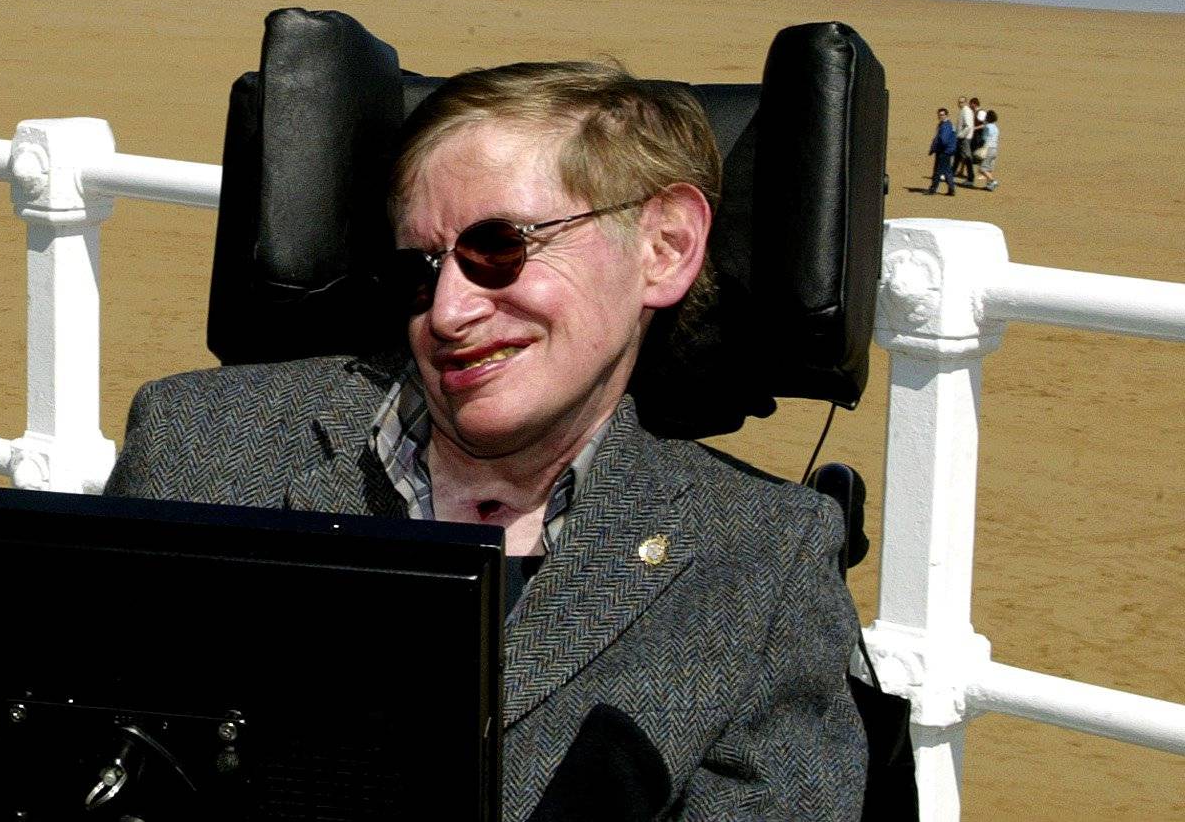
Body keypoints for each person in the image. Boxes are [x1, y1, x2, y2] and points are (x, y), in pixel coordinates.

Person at [106, 62, 867, 816]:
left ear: (664, 245)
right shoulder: (201, 445)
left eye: (498, 248)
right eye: (419, 269)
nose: (446, 312)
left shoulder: (760, 561)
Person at [927, 106, 957, 195]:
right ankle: (951, 189)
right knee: (947, 171)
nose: (940, 116)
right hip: (947, 151)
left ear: (946, 115)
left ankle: (933, 189)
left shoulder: (946, 126)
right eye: (939, 115)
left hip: (943, 151)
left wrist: (936, 148)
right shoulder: (945, 125)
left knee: (937, 171)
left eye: (942, 115)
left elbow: (943, 140)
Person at [974, 108, 1000, 190]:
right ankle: (990, 186)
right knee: (989, 168)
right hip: (994, 149)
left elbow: (984, 137)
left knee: (982, 169)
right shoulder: (996, 127)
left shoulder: (987, 127)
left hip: (988, 148)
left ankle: (993, 181)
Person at [953, 96, 976, 185]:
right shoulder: (963, 111)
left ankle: (970, 179)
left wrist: (960, 135)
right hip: (961, 138)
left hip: (964, 139)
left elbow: (968, 126)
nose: (960, 104)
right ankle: (950, 174)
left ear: (966, 102)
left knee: (967, 158)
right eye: (959, 102)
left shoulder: (966, 111)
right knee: (957, 157)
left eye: (962, 102)